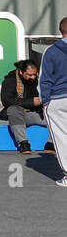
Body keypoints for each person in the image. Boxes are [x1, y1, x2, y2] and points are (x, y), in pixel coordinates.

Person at [38, 18, 67, 186]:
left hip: (58, 99)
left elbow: (45, 80)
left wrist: (45, 102)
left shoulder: (51, 51)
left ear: (60, 30)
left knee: (62, 137)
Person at [0, 59, 43, 154]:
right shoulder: (10, 80)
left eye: (35, 74)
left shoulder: (40, 79)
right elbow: (7, 101)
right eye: (29, 75)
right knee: (13, 109)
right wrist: (30, 102)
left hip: (39, 113)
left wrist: (42, 81)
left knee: (60, 115)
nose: (33, 77)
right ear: (21, 72)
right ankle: (23, 143)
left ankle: (51, 144)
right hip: (21, 115)